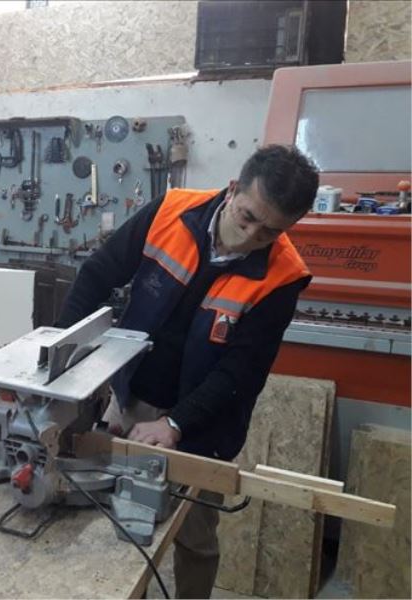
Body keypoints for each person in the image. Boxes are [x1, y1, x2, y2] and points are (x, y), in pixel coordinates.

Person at [55, 145, 319, 599]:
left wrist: (176, 424)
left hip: (201, 425)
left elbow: (241, 373)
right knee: (123, 522)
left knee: (194, 537)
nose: (252, 236)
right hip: (133, 395)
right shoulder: (170, 211)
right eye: (248, 217)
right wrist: (57, 354)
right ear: (232, 190)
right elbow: (98, 273)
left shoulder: (283, 276)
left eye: (271, 231)